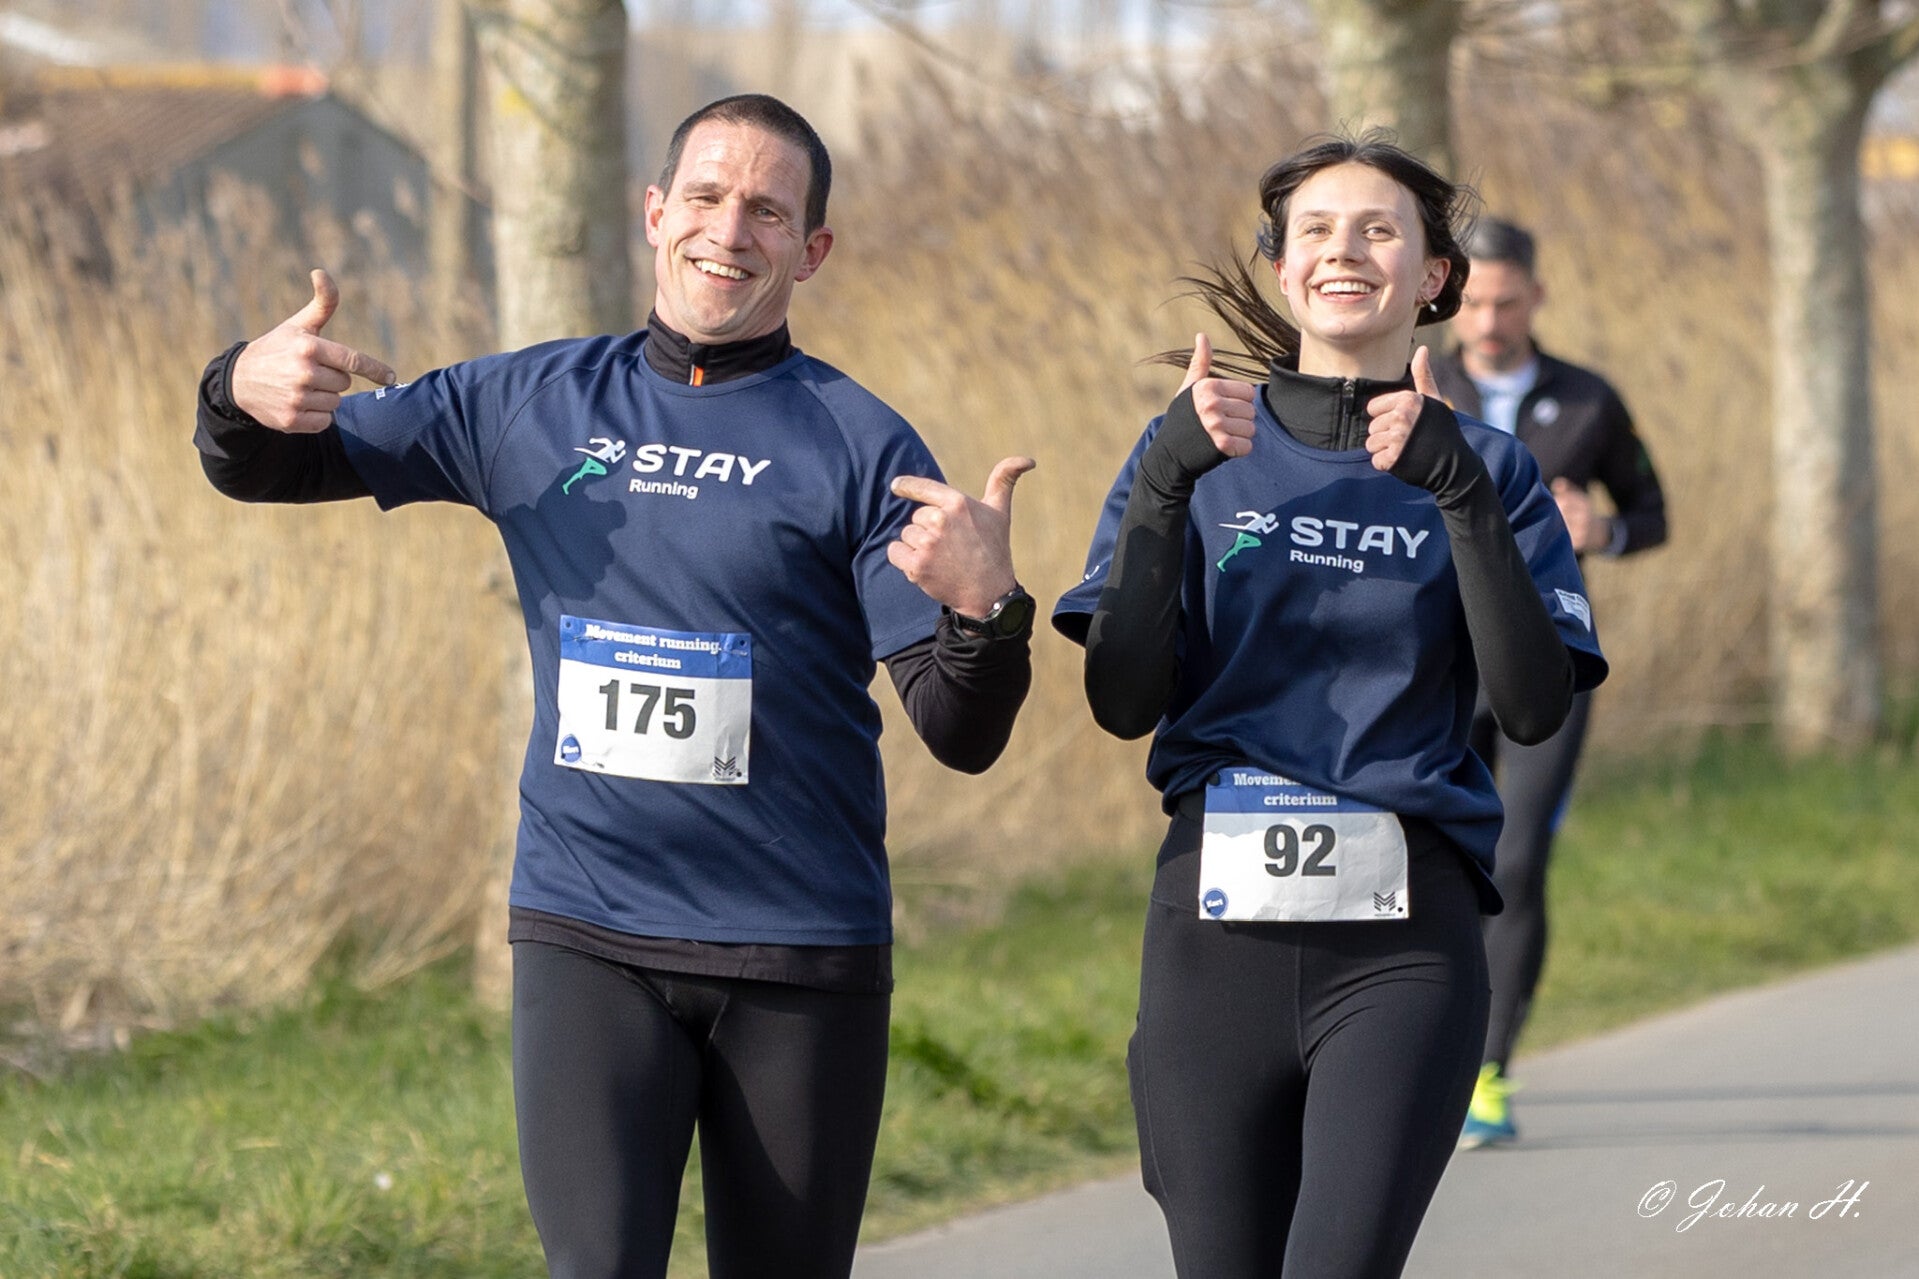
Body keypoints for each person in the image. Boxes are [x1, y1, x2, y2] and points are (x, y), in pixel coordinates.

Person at [193, 94, 1038, 1279]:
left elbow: (958, 729)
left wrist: (987, 609)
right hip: (587, 933)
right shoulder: (530, 404)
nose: (727, 231)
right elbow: (267, 467)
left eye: (766, 211)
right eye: (704, 197)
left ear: (811, 250)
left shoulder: (860, 446)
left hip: (795, 954)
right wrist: (236, 386)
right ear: (653, 213)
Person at [1053, 134, 1608, 1278]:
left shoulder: (1487, 465)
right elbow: (1120, 700)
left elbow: (1530, 706)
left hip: (1404, 946)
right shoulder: (1194, 444)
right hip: (1212, 942)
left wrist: (1456, 490)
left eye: (1376, 230)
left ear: (1432, 275)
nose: (1342, 250)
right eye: (1314, 229)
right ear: (1279, 264)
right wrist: (1164, 480)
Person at [1430, 216, 1668, 1149]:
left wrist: (1599, 531)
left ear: (1535, 296)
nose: (1488, 321)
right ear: (1452, 299)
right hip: (1434, 660)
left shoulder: (1586, 399)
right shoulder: (1413, 386)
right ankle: (1417, 1054)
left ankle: (1487, 1071)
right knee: (1428, 860)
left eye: (1506, 303)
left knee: (1517, 858)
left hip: (1548, 662)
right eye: (1475, 303)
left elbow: (1649, 513)